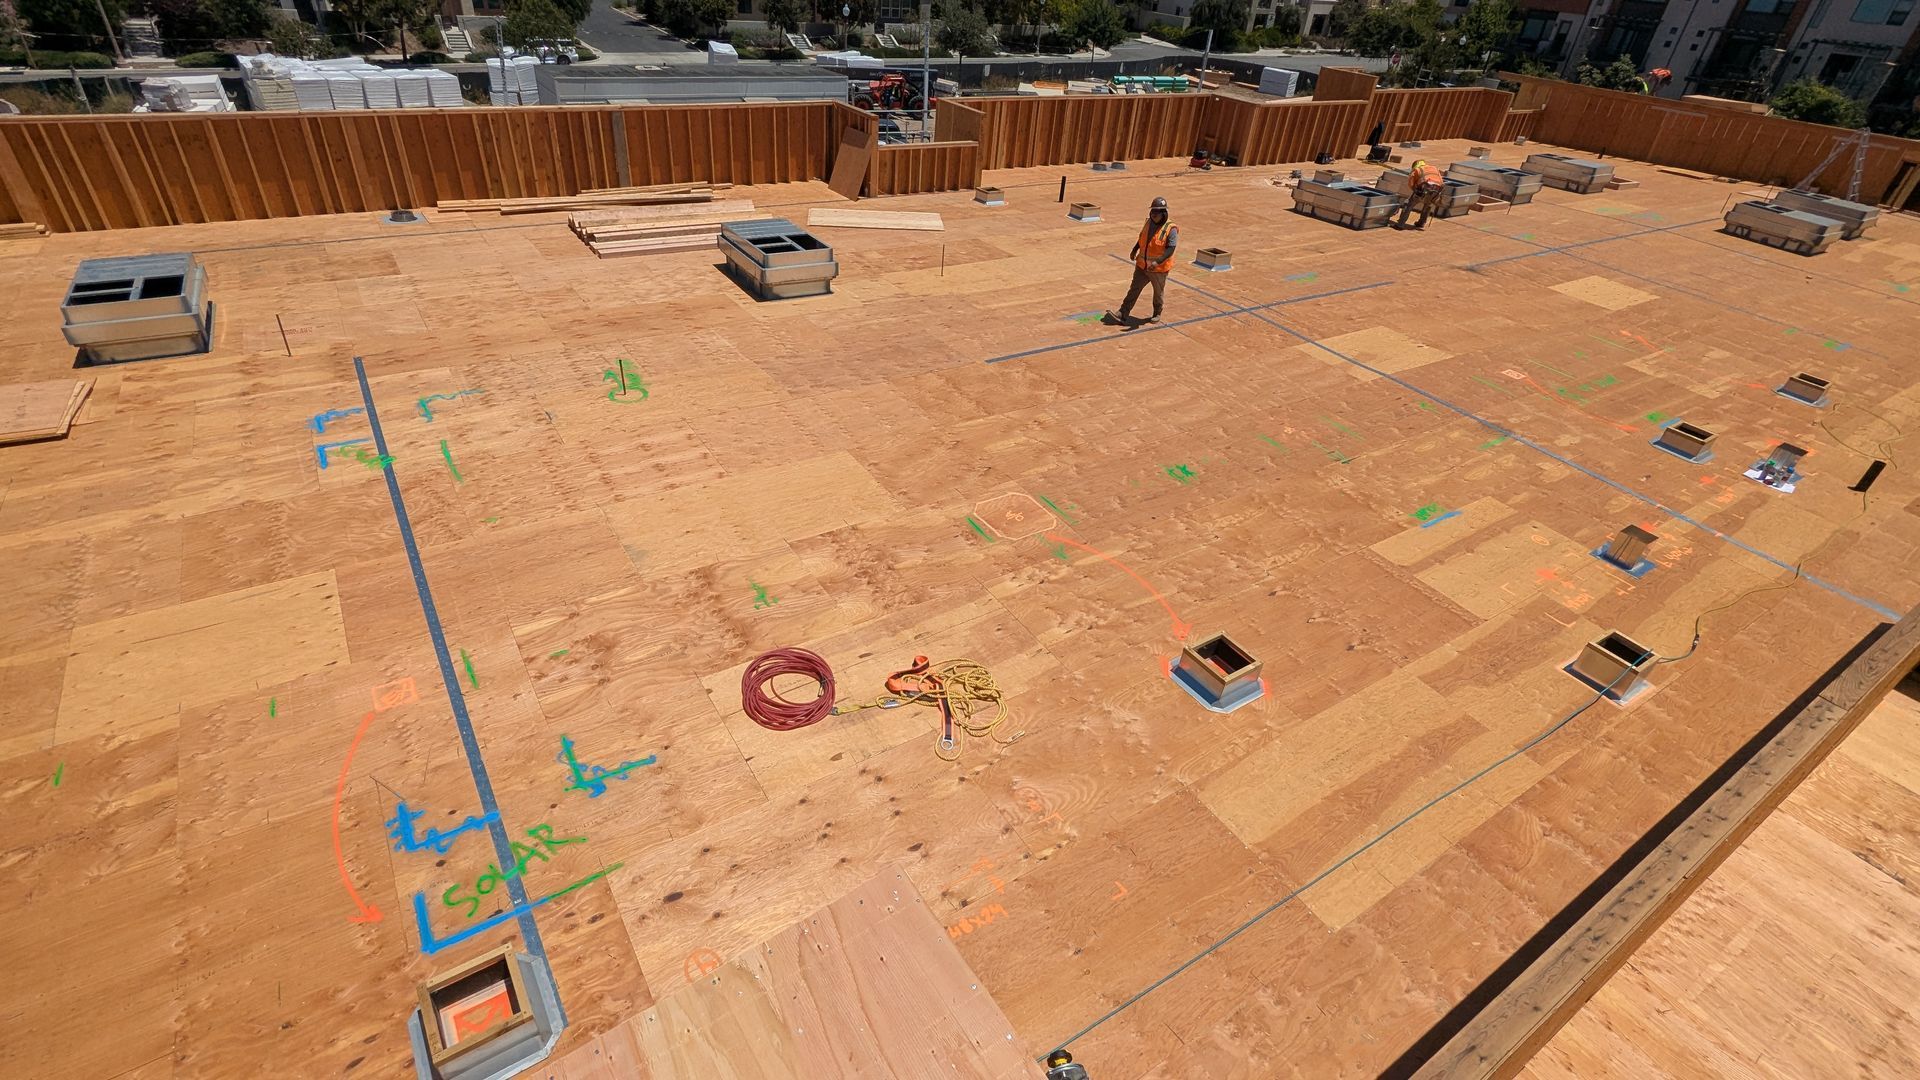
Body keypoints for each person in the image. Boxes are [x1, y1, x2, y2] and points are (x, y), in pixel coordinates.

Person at [1117, 196, 1177, 324]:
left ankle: (1157, 312)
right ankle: (1123, 312)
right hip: (1142, 266)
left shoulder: (1170, 229)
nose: (1154, 215)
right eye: (1152, 212)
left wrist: (1157, 262)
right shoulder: (1148, 222)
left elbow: (1171, 249)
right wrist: (1134, 249)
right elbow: (1142, 238)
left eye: (1157, 212)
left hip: (1158, 269)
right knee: (1134, 289)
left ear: (1164, 213)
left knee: (1158, 293)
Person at [1395, 159, 1446, 231]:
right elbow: (1441, 181)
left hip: (1424, 189)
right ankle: (1421, 223)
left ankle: (1400, 225)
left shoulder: (1416, 170)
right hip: (1437, 190)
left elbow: (1411, 183)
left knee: (1408, 204)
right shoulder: (1434, 168)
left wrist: (1415, 190)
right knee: (1427, 206)